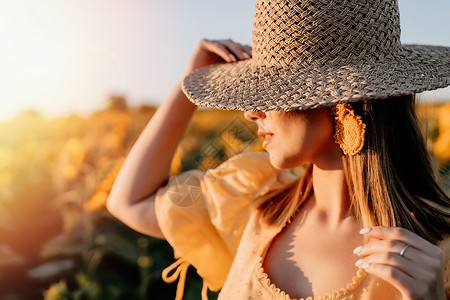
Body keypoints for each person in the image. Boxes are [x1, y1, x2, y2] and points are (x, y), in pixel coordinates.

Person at [107, 0, 450, 299]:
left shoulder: (437, 255)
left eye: (275, 91)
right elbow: (129, 202)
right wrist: (188, 84)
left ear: (340, 101)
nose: (251, 111)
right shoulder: (253, 205)